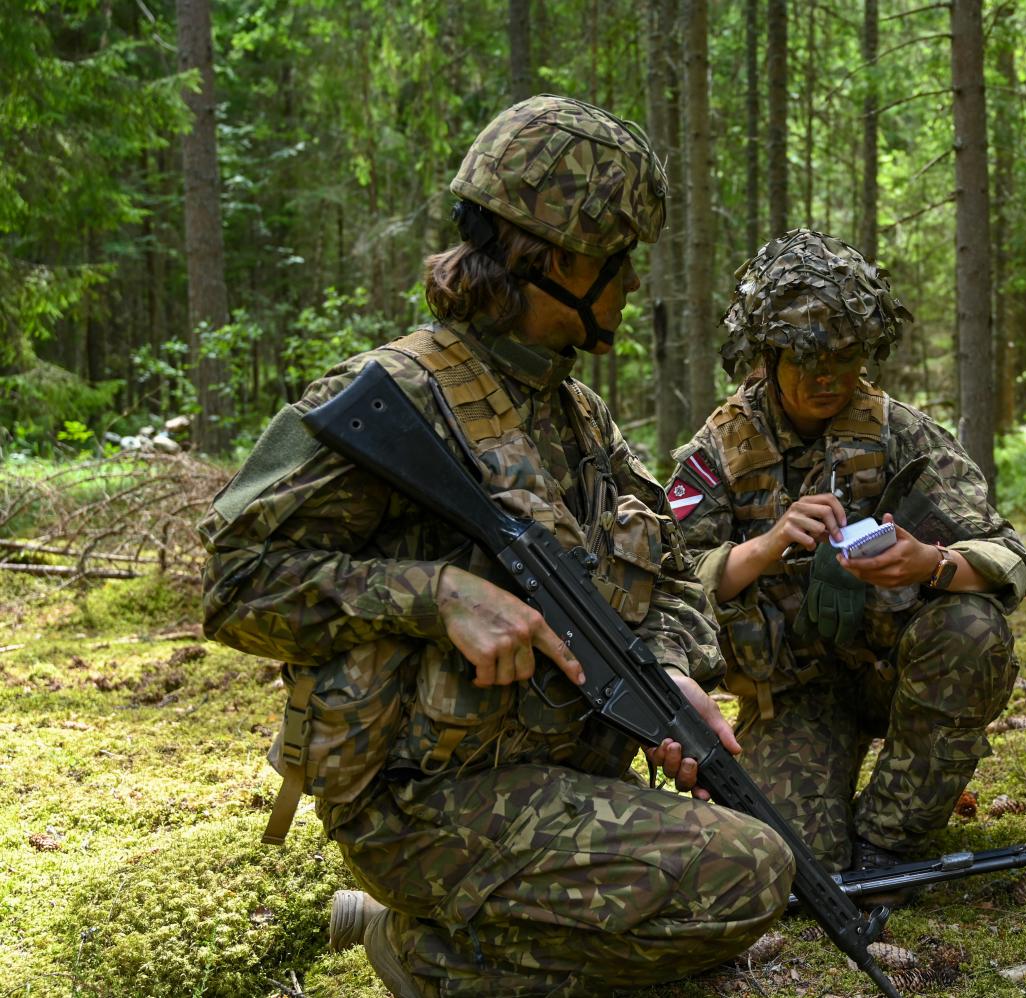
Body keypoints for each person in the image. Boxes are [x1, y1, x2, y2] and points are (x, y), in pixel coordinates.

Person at [198, 96, 793, 998]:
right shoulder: (392, 399)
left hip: (548, 776)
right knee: (746, 873)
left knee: (757, 863)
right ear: (555, 261)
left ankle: (452, 934)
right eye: (619, 260)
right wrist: (434, 595)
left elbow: (672, 577)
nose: (633, 284)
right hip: (420, 802)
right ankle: (429, 954)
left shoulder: (578, 414)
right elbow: (235, 584)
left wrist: (667, 670)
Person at [669, 228, 1026, 880]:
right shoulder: (723, 447)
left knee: (972, 627)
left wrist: (933, 564)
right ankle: (834, 835)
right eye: (808, 359)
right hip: (798, 693)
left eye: (845, 356)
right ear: (769, 353)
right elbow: (666, 584)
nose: (828, 376)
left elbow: (1007, 554)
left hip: (898, 675)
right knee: (790, 862)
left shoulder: (900, 433)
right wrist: (764, 545)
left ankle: (889, 841)